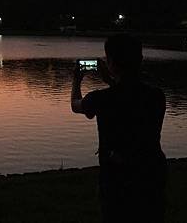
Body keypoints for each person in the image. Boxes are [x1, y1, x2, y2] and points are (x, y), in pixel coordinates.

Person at [71, 34, 167, 223]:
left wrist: (76, 80)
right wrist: (112, 80)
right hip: (151, 173)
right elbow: (129, 96)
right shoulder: (156, 96)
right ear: (140, 60)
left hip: (116, 177)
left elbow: (76, 105)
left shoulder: (101, 99)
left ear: (111, 62)